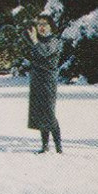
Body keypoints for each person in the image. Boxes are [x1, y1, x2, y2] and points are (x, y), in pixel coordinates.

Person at [26, 16, 63, 154]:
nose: (41, 27)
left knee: (49, 112)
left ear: (51, 26)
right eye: (39, 24)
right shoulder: (38, 41)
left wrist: (35, 41)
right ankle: (45, 145)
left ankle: (58, 147)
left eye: (44, 24)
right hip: (37, 81)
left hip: (48, 81)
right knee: (40, 113)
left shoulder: (54, 41)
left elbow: (44, 53)